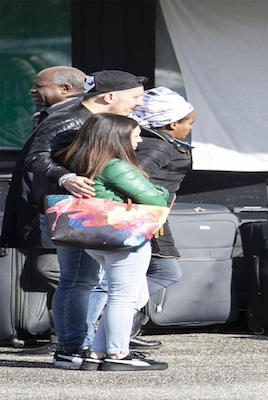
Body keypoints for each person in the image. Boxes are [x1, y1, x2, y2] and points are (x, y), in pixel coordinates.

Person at [23, 69, 146, 369]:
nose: (137, 105)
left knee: (87, 280)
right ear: (110, 96)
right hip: (76, 211)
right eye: (134, 98)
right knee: (79, 279)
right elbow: (35, 157)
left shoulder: (91, 120)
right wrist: (65, 178)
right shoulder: (69, 119)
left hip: (89, 211)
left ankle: (81, 345)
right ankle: (72, 347)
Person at [82, 86, 195, 350]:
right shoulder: (158, 146)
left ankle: (114, 331)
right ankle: (110, 331)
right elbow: (136, 175)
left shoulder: (160, 142)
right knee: (136, 284)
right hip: (141, 220)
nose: (189, 129)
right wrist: (154, 198)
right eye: (188, 123)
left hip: (146, 218)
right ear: (172, 122)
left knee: (133, 282)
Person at [54, 113, 169, 371]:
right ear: (117, 137)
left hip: (94, 237)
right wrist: (162, 191)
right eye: (135, 135)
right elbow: (155, 199)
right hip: (124, 236)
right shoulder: (115, 165)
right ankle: (118, 354)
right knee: (124, 297)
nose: (139, 140)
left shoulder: (76, 160)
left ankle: (97, 352)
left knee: (119, 294)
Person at [1, 66, 85, 310]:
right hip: (42, 206)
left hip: (60, 206)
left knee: (53, 268)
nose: (32, 90)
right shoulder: (51, 114)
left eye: (39, 86)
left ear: (65, 89)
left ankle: (91, 323)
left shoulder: (71, 117)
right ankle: (63, 335)